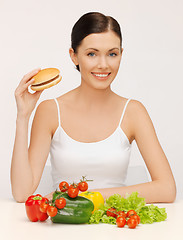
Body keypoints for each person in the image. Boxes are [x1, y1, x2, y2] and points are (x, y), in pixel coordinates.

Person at [11, 12, 176, 203]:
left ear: (121, 54)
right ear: (74, 56)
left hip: (118, 228)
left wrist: (87, 196)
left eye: (112, 54)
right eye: (91, 54)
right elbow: (22, 193)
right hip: (63, 227)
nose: (103, 65)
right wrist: (23, 116)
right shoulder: (50, 110)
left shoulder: (133, 112)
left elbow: (167, 188)